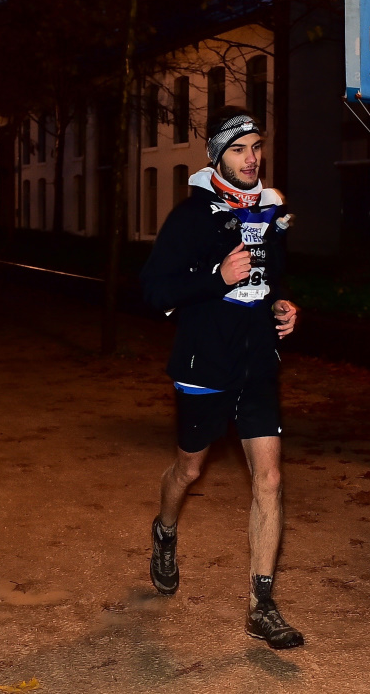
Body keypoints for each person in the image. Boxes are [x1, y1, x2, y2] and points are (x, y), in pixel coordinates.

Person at [139, 106, 302, 650]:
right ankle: (165, 531)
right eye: (239, 149)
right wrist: (216, 276)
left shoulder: (269, 211)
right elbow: (155, 290)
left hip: (256, 362)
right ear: (216, 157)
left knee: (270, 480)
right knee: (189, 469)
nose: (252, 159)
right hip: (204, 363)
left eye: (257, 147)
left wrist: (282, 306)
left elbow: (272, 278)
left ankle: (261, 605)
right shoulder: (191, 217)